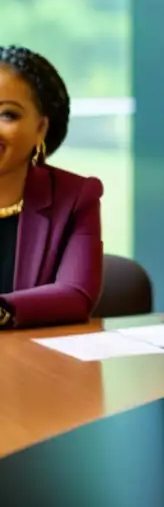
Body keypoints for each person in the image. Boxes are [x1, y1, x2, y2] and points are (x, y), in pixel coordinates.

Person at [0, 46, 103, 328]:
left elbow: (76, 294)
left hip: (29, 363)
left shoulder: (76, 197)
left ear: (41, 129)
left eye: (7, 114)